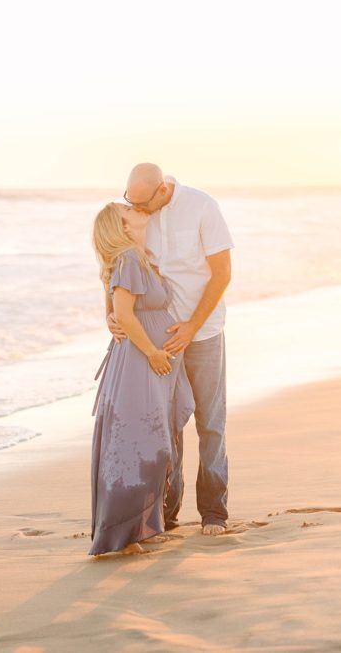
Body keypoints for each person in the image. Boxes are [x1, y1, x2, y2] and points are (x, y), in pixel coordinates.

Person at [108, 163, 234, 537]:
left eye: (143, 203)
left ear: (162, 189)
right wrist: (112, 315)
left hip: (204, 332)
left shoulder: (202, 207)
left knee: (211, 423)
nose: (138, 210)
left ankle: (214, 511)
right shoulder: (140, 217)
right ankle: (169, 511)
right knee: (167, 426)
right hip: (159, 339)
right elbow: (115, 264)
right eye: (131, 202)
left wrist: (193, 325)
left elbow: (223, 272)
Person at [89, 202, 195, 556]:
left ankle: (143, 527)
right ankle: (126, 531)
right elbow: (122, 313)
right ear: (122, 226)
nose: (134, 207)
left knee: (151, 437)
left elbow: (114, 310)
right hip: (142, 359)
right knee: (140, 440)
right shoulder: (130, 261)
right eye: (126, 209)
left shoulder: (140, 257)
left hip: (154, 358)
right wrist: (152, 351)